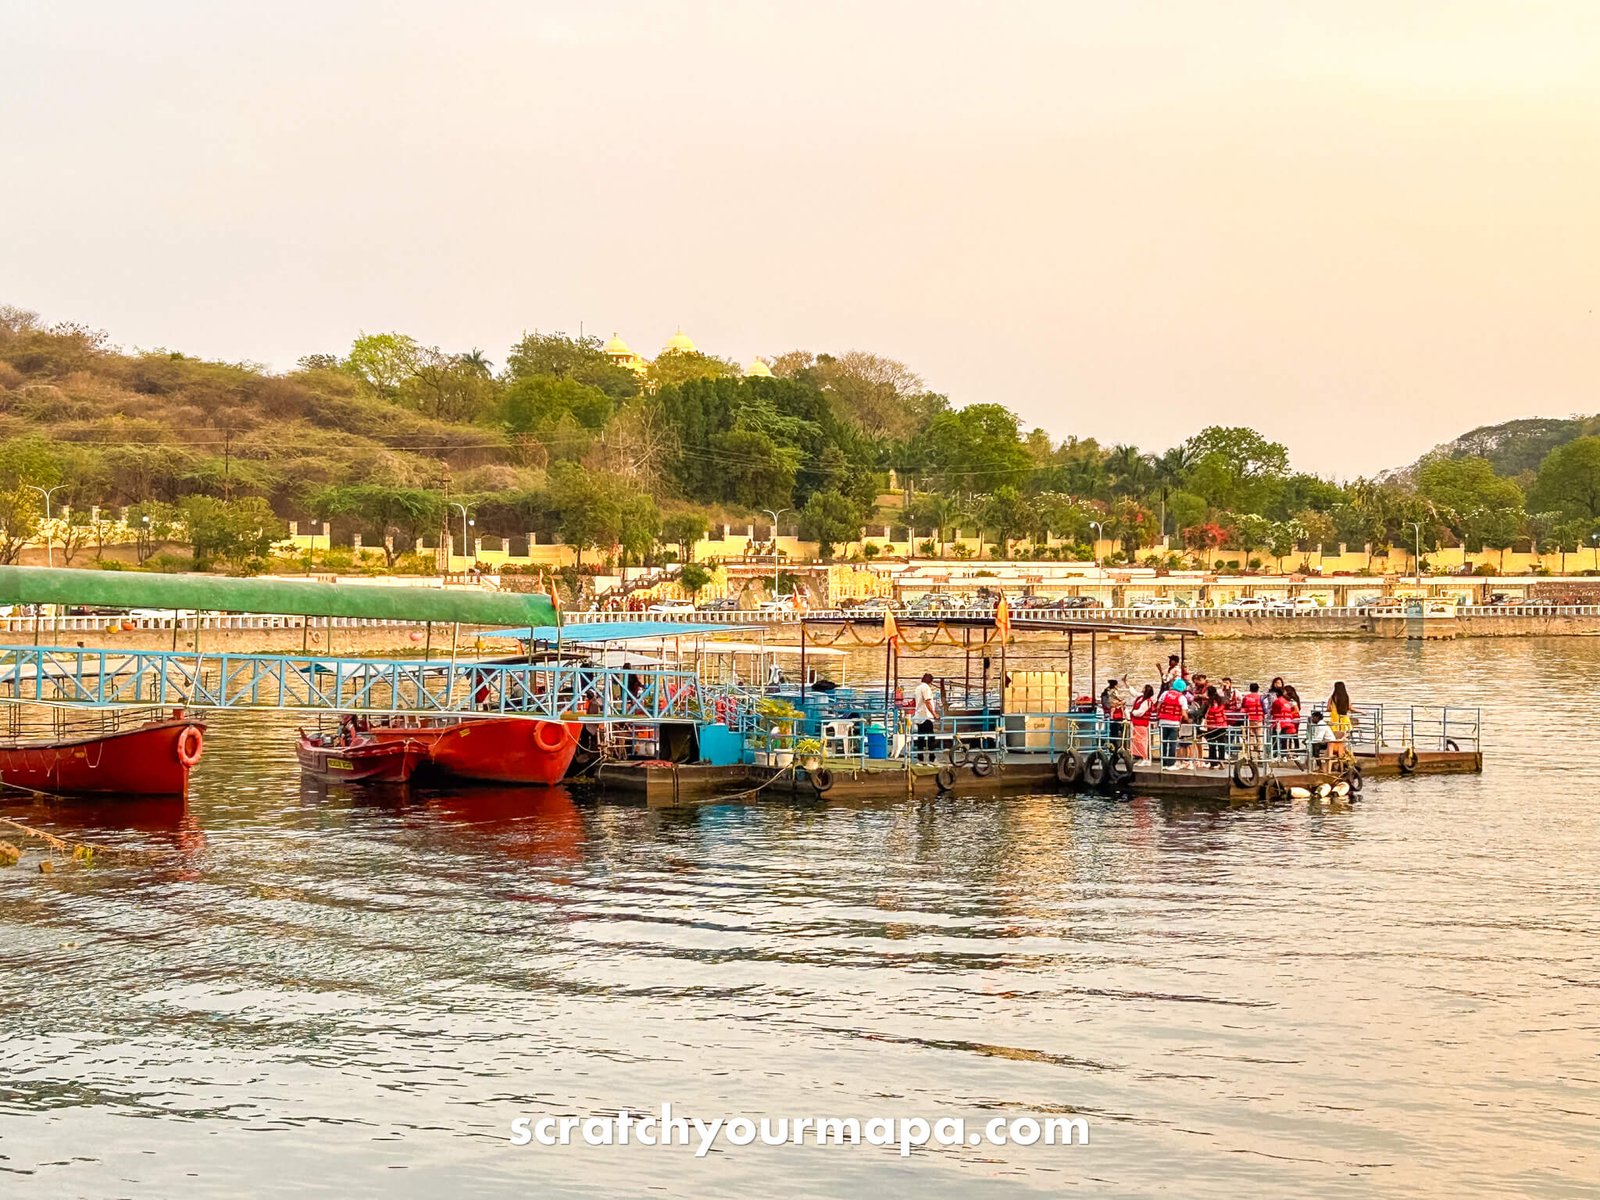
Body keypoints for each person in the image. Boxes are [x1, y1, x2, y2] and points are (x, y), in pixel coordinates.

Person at [1156, 676, 1189, 769]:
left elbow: (1158, 707)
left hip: (1162, 722)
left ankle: (1163, 763)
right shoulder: (1182, 698)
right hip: (1174, 724)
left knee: (1163, 743)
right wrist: (1188, 719)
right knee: (1172, 744)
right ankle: (1171, 764)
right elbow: (1184, 714)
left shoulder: (1165, 693)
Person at [1326, 681, 1355, 765]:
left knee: (1334, 738)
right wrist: (1361, 711)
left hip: (1335, 719)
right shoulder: (1346, 697)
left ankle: (1334, 754)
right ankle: (1342, 757)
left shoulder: (1332, 697)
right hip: (1344, 720)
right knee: (1343, 739)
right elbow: (1350, 708)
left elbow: (1328, 708)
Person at [1100, 677, 1126, 753]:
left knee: (1112, 731)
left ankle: (1112, 747)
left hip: (1109, 714)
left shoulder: (1105, 692)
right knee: (1115, 732)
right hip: (1114, 715)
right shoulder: (1113, 692)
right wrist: (1121, 703)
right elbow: (1117, 701)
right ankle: (1114, 747)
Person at [1129, 684, 1154, 762]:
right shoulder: (1140, 697)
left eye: (1144, 688)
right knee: (1136, 740)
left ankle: (1145, 758)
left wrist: (1132, 712)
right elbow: (1134, 693)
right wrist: (1128, 685)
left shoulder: (1147, 701)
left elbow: (1140, 712)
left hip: (1142, 723)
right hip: (1136, 722)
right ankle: (1140, 756)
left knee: (1141, 741)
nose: (1142, 689)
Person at [1241, 682, 1266, 757]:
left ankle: (1250, 753)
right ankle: (1260, 754)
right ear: (1258, 689)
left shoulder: (1246, 697)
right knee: (1259, 737)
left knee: (1251, 736)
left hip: (1249, 719)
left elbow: (1243, 707)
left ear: (1250, 689)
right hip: (1259, 719)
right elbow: (1265, 709)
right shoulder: (1261, 697)